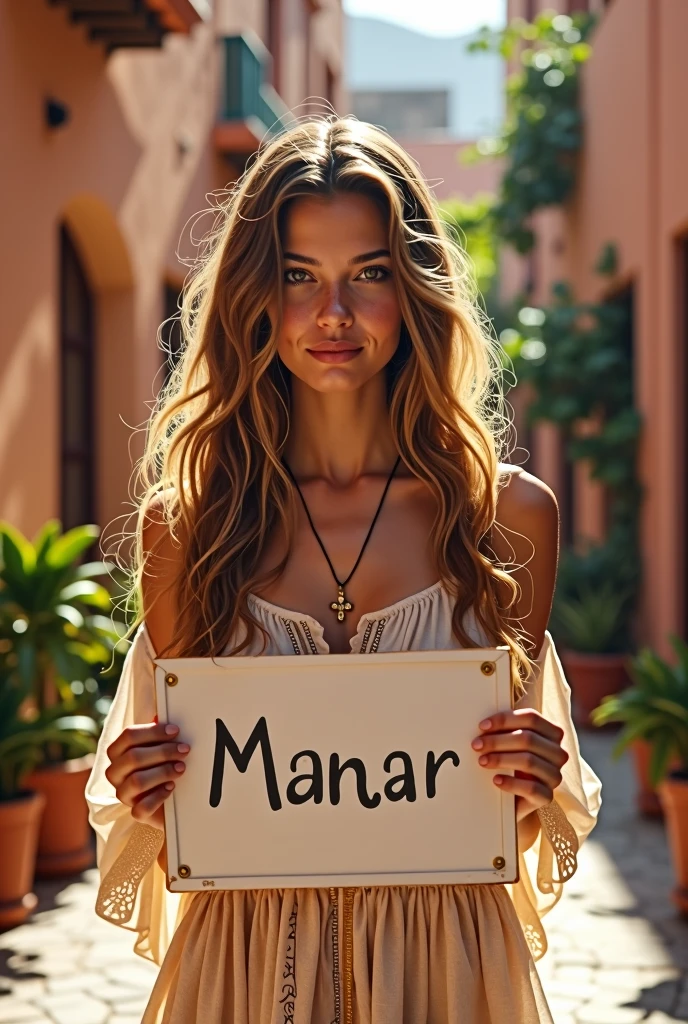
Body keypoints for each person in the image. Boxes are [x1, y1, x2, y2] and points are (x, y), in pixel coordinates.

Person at [86, 117, 602, 1024]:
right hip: (245, 970)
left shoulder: (509, 517)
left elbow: (500, 834)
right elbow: (185, 847)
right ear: (253, 294)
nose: (333, 314)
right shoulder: (189, 528)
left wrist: (527, 779)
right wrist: (148, 792)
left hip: (449, 966)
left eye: (369, 274)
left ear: (413, 291)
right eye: (297, 276)